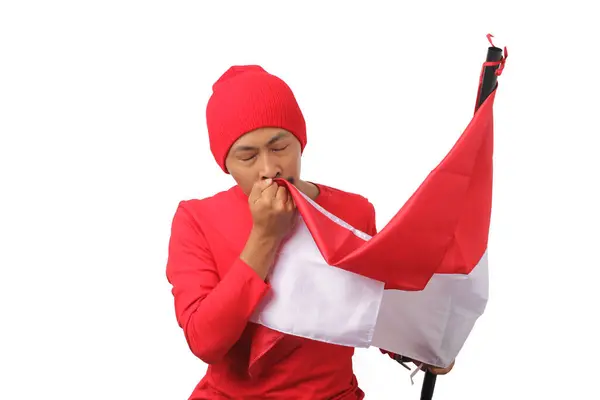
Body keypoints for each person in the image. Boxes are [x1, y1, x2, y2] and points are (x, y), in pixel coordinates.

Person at [166, 65, 454, 399]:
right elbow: (205, 342)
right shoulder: (196, 219)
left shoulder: (354, 212)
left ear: (300, 142)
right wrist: (265, 236)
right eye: (247, 156)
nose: (269, 168)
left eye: (279, 148)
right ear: (225, 164)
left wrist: (418, 347)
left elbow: (373, 307)